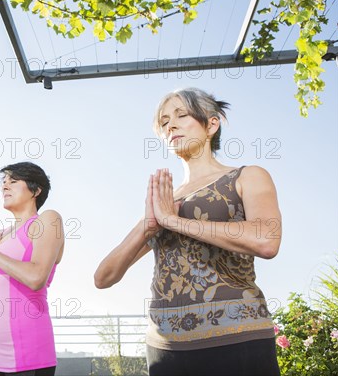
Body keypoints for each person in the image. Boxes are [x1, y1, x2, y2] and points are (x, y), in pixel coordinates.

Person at [94, 88, 282, 376]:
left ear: (211, 124)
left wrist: (175, 220)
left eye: (182, 115)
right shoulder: (165, 200)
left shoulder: (247, 176)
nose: (171, 125)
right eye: (165, 121)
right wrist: (149, 224)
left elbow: (266, 240)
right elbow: (103, 278)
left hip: (237, 341)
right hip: (165, 349)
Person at [0, 162, 65, 376]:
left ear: (36, 190)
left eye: (13, 181)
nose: (4, 187)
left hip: (30, 360)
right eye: (3, 182)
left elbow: (36, 277)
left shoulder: (46, 220)